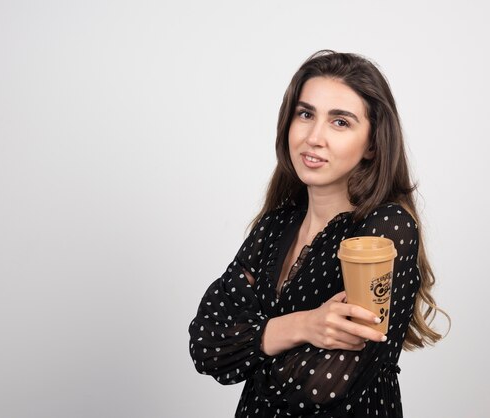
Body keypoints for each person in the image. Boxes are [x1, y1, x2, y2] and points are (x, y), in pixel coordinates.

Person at [188, 50, 448, 417]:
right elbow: (206, 343)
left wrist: (251, 344)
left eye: (340, 122)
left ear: (372, 144)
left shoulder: (386, 230)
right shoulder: (276, 225)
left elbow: (320, 386)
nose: (314, 137)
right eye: (305, 114)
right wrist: (303, 326)